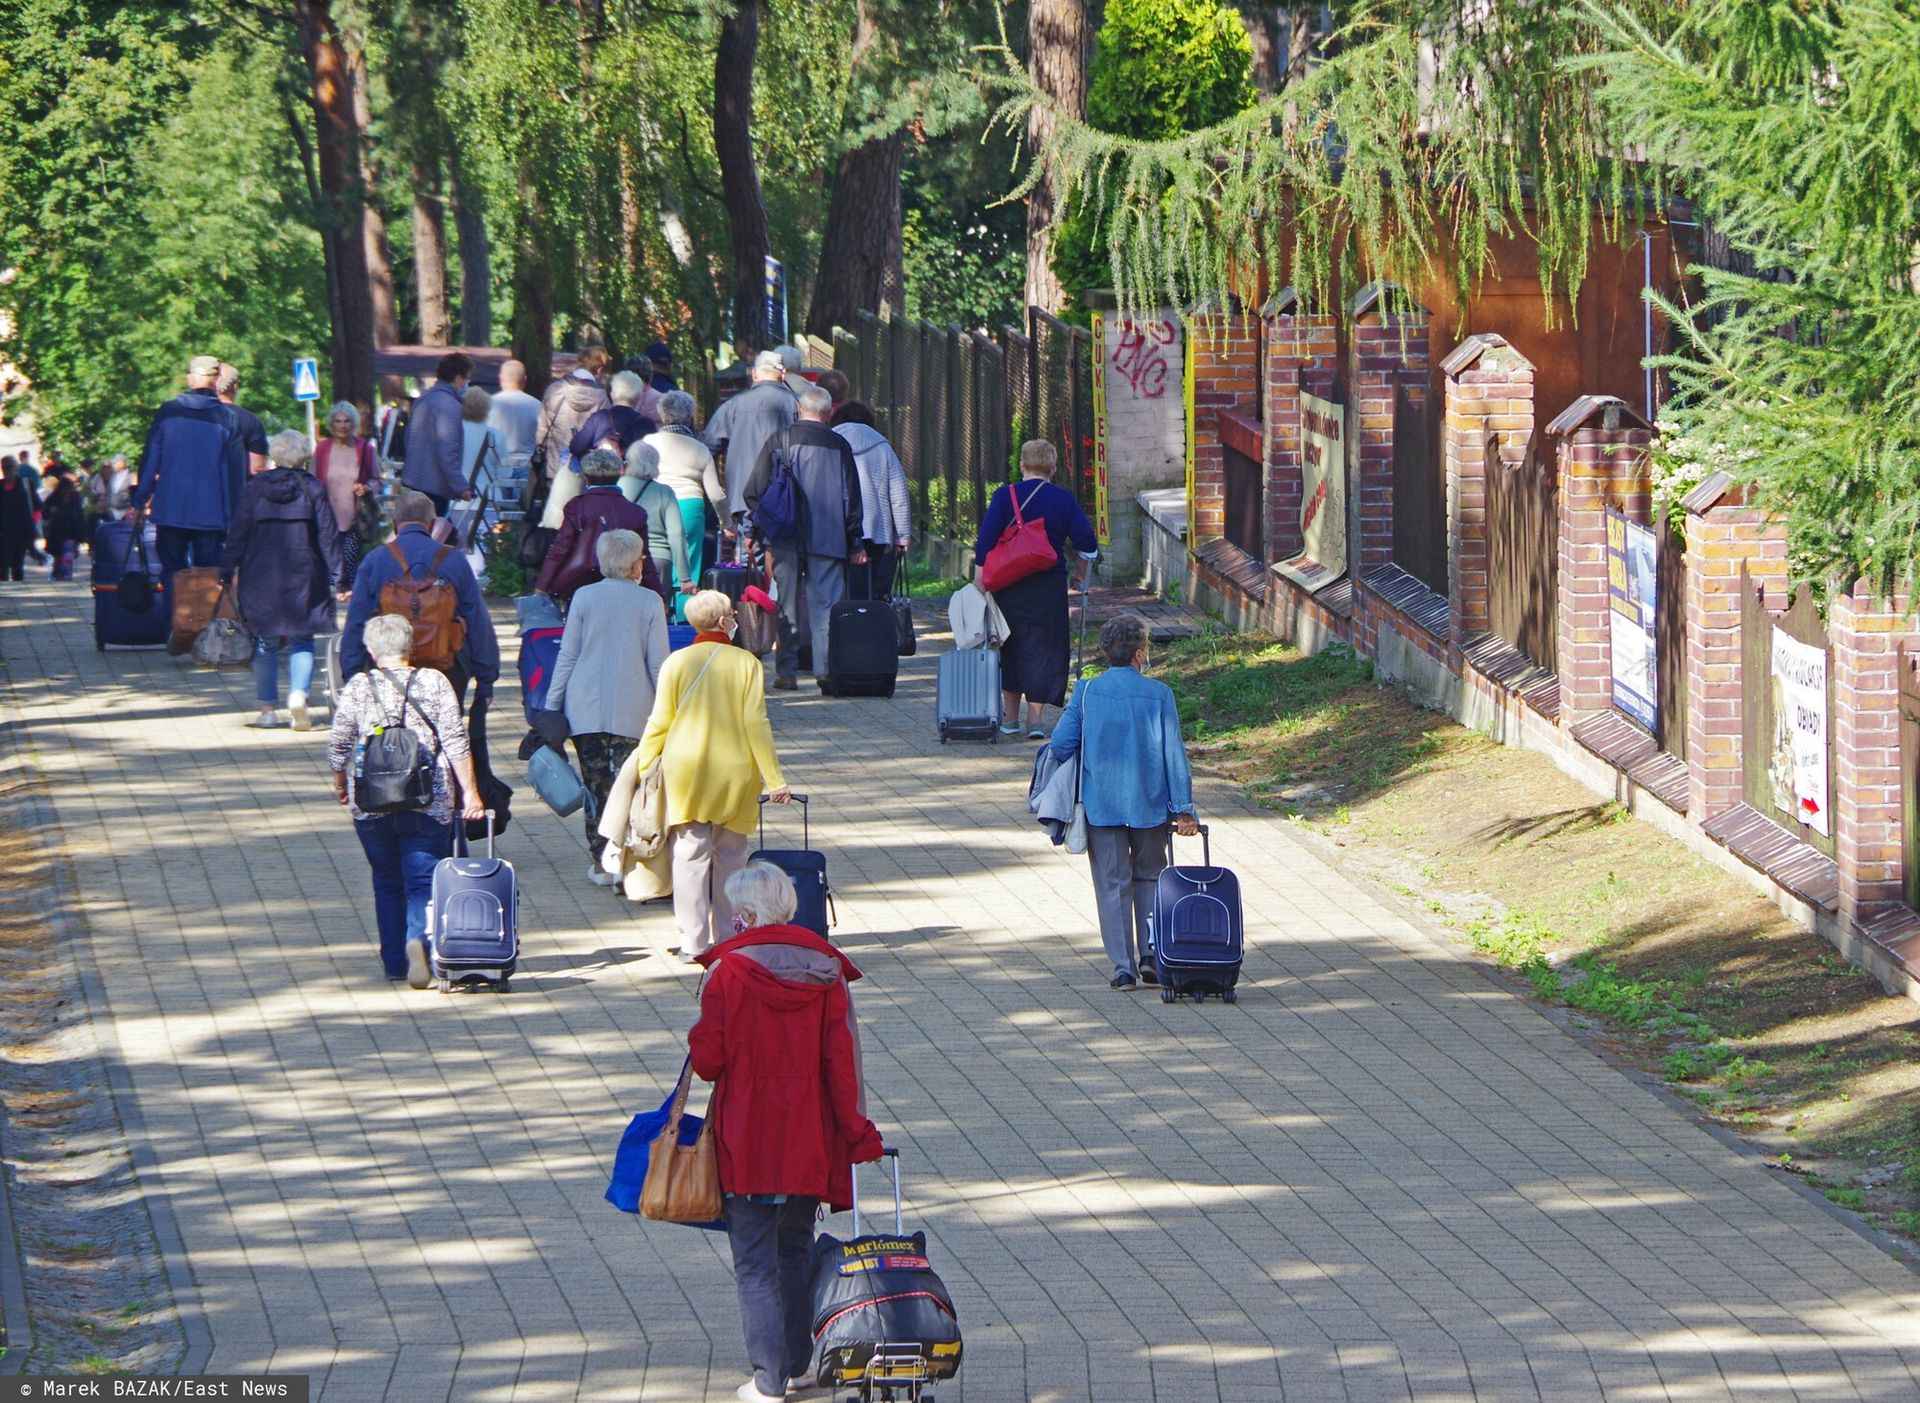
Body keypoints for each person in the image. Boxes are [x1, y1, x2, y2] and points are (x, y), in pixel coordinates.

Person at [689, 861, 885, 1403]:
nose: (731, 924)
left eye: (734, 915)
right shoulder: (826, 971)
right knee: (795, 1249)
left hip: (746, 1136)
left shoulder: (727, 973)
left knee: (754, 1260)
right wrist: (857, 1134)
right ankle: (799, 1365)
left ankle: (768, 1381)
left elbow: (707, 1060)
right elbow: (842, 1067)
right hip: (808, 1137)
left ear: (749, 915)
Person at [328, 612, 488, 985]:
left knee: (386, 880)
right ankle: (418, 939)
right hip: (428, 799)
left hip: (371, 803)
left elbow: (338, 744)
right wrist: (472, 794)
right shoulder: (434, 682)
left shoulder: (358, 686)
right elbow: (455, 742)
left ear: (370, 649)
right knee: (423, 881)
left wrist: (339, 781)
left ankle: (395, 964)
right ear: (410, 645)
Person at [632, 590, 789, 958]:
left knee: (689, 855)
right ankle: (731, 937)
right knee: (732, 856)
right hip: (734, 771)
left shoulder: (677, 662)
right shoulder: (747, 664)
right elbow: (756, 723)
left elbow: (660, 720)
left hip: (685, 770)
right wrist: (774, 778)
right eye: (733, 613)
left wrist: (644, 765)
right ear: (724, 622)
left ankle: (693, 942)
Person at [1049, 612, 1200, 990]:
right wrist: (1183, 808)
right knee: (1150, 875)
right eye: (1146, 648)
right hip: (1149, 804)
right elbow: (1174, 755)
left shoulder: (1086, 691)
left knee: (1112, 883)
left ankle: (1122, 968)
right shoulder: (1159, 694)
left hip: (1102, 804)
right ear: (1137, 655)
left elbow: (1060, 744)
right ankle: (1151, 953)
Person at [546, 529, 671, 880]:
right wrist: (671, 708)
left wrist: (551, 704)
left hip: (583, 707)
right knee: (630, 786)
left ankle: (602, 859)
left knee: (595, 785)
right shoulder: (649, 602)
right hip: (636, 707)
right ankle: (627, 860)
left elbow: (567, 655)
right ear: (634, 565)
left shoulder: (583, 597)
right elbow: (659, 664)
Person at [221, 430, 348, 730]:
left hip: (260, 573)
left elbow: (239, 531)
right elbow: (328, 536)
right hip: (304, 572)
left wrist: (227, 569)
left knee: (264, 641)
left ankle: (267, 709)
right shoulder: (312, 487)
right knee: (302, 637)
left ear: (275, 454)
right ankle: (299, 696)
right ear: (303, 455)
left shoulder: (255, 487)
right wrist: (341, 579)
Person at [972, 439, 1099, 737]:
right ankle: (1037, 721)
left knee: (1009, 643)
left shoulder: (1005, 496)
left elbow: (985, 539)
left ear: (1022, 466)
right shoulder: (1063, 499)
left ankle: (1010, 718)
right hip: (1048, 584)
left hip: (1008, 583)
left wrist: (979, 578)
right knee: (1045, 647)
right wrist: (1080, 577)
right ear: (1054, 469)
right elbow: (1087, 543)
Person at [742, 385, 865, 691]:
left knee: (786, 604)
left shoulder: (779, 440)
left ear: (799, 409)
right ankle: (825, 671)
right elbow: (851, 498)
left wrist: (756, 531)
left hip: (784, 537)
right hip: (831, 537)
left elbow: (755, 491)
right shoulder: (839, 445)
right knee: (826, 607)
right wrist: (855, 540)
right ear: (829, 412)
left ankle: (787, 671)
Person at [340, 490, 501, 709]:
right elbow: (477, 620)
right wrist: (485, 681)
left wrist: (352, 676)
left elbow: (357, 621)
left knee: (391, 733)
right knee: (446, 734)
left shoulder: (375, 561)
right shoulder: (454, 560)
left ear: (394, 522)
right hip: (447, 669)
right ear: (433, 523)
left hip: (389, 669)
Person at [130, 354, 243, 583]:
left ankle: (174, 618)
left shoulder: (168, 412)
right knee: (209, 577)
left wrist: (139, 501)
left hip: (171, 509)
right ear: (216, 380)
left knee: (172, 574)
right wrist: (235, 518)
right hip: (211, 514)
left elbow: (151, 459)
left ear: (190, 379)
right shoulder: (227, 418)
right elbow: (235, 474)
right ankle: (206, 620)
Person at [534, 448, 664, 606]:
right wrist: (658, 595)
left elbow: (561, 547)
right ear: (619, 474)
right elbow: (644, 557)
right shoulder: (635, 512)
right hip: (622, 582)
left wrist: (543, 585)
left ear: (586, 477)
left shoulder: (577, 506)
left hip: (580, 580)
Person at [702, 350, 796, 544]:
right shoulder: (797, 404)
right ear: (783, 373)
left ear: (754, 373)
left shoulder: (734, 406)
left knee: (750, 563)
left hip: (743, 496)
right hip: (786, 496)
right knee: (783, 561)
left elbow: (707, 448)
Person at [646, 390, 725, 610]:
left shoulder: (647, 443)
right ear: (689, 417)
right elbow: (716, 494)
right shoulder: (699, 448)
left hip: (654, 505)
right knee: (688, 567)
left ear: (662, 416)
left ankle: (655, 610)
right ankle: (683, 617)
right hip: (689, 506)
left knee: (652, 559)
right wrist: (726, 523)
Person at [833, 401, 912, 601]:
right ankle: (868, 619)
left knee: (840, 583)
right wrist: (902, 536)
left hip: (838, 525)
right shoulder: (882, 446)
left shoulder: (831, 442)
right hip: (875, 526)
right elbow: (898, 494)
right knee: (871, 585)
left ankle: (843, 620)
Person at [535, 346, 613, 527]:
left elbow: (541, 433)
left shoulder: (554, 391)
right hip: (586, 477)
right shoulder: (602, 398)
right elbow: (604, 439)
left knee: (555, 526)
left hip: (554, 471)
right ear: (600, 370)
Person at [401, 352, 474, 515]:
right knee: (438, 535)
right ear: (458, 378)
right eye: (467, 379)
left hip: (415, 481)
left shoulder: (423, 399)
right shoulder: (450, 406)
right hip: (435, 487)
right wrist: (461, 487)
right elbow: (447, 451)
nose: (467, 384)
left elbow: (408, 438)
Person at [315, 402, 382, 577]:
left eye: (347, 421)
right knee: (329, 569)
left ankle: (346, 599)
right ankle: (332, 601)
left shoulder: (366, 449)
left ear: (354, 424)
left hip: (355, 519)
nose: (343, 425)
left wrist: (367, 488)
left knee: (348, 567)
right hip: (326, 518)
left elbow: (377, 480)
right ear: (331, 424)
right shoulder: (322, 449)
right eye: (338, 421)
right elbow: (312, 481)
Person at [620, 442, 693, 604]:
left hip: (622, 558)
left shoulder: (617, 488)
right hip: (657, 559)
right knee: (656, 613)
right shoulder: (664, 492)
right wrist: (684, 577)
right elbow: (676, 533)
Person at [567, 370, 657, 460]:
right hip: (631, 472)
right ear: (638, 398)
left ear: (612, 394)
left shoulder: (598, 418)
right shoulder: (647, 425)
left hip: (599, 471)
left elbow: (576, 448)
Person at [214, 363, 270, 482]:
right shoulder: (250, 420)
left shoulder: (195, 417)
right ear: (235, 387)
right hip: (238, 493)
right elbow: (257, 469)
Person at [486, 358, 543, 459]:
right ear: (525, 379)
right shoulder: (537, 405)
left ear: (501, 378)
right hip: (525, 461)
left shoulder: (487, 404)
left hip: (495, 461)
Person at [39, 472, 87, 580]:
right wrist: (51, 511)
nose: (66, 493)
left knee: (67, 558)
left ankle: (66, 576)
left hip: (70, 534)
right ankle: (57, 574)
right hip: (56, 534)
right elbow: (45, 512)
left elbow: (79, 517)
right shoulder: (54, 498)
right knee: (58, 557)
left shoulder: (75, 499)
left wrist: (81, 535)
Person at [0, 457, 35, 581]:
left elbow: (37, 505)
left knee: (17, 567)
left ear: (16, 468)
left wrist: (32, 525)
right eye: (3, 467)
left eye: (9, 466)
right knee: (2, 567)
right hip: (3, 534)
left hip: (21, 533)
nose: (6, 470)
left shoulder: (25, 484)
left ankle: (16, 595)